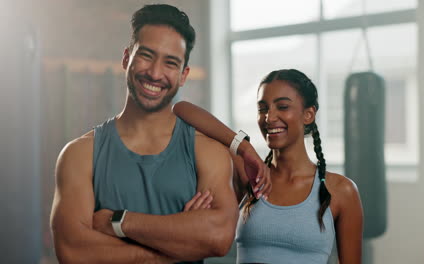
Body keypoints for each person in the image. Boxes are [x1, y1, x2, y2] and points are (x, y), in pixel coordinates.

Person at [50, 4, 269, 264]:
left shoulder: (206, 151)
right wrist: (175, 247)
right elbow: (72, 251)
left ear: (183, 75)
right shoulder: (80, 154)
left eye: (170, 62)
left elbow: (218, 237)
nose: (155, 73)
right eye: (146, 55)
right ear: (126, 57)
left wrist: (118, 222)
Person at [173, 69, 364, 263]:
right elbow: (181, 109)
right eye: (262, 109)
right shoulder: (249, 175)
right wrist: (244, 147)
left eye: (282, 107)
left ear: (308, 115)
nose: (269, 117)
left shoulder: (341, 190)